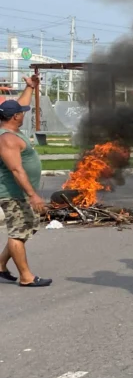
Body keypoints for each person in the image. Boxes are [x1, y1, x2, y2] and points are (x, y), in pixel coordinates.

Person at [0, 76, 51, 287]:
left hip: (17, 193)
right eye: (21, 113)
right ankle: (26, 277)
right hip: (13, 193)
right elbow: (16, 169)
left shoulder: (10, 127)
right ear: (16, 117)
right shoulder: (7, 139)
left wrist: (30, 87)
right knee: (18, 233)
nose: (23, 114)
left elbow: (18, 105)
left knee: (26, 227)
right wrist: (33, 195)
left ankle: (0, 265)